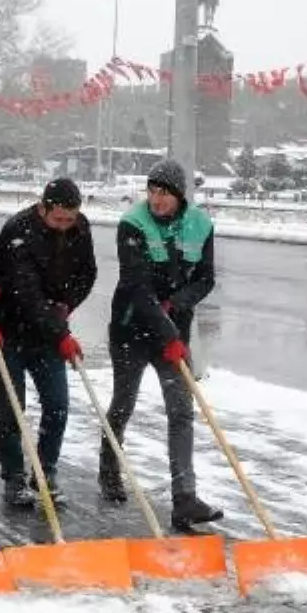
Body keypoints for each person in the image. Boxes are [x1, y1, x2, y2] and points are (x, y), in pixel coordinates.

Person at [100, 159, 223, 532]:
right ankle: (109, 465)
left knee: (181, 412)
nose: (155, 199)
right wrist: (166, 330)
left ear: (179, 195)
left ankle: (184, 498)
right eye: (151, 191)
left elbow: (205, 279)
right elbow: (136, 286)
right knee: (124, 403)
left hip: (173, 333)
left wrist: (178, 305)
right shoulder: (133, 224)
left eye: (163, 193)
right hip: (131, 331)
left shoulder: (200, 225)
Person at [0, 178, 96, 508]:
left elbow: (87, 273)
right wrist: (60, 331)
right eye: (58, 219)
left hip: (49, 332)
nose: (65, 226)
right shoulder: (17, 231)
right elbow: (26, 293)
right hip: (9, 331)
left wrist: (67, 305)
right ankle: (14, 478)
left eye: (70, 219)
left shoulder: (80, 227)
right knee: (13, 409)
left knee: (58, 404)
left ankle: (45, 470)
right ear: (42, 208)